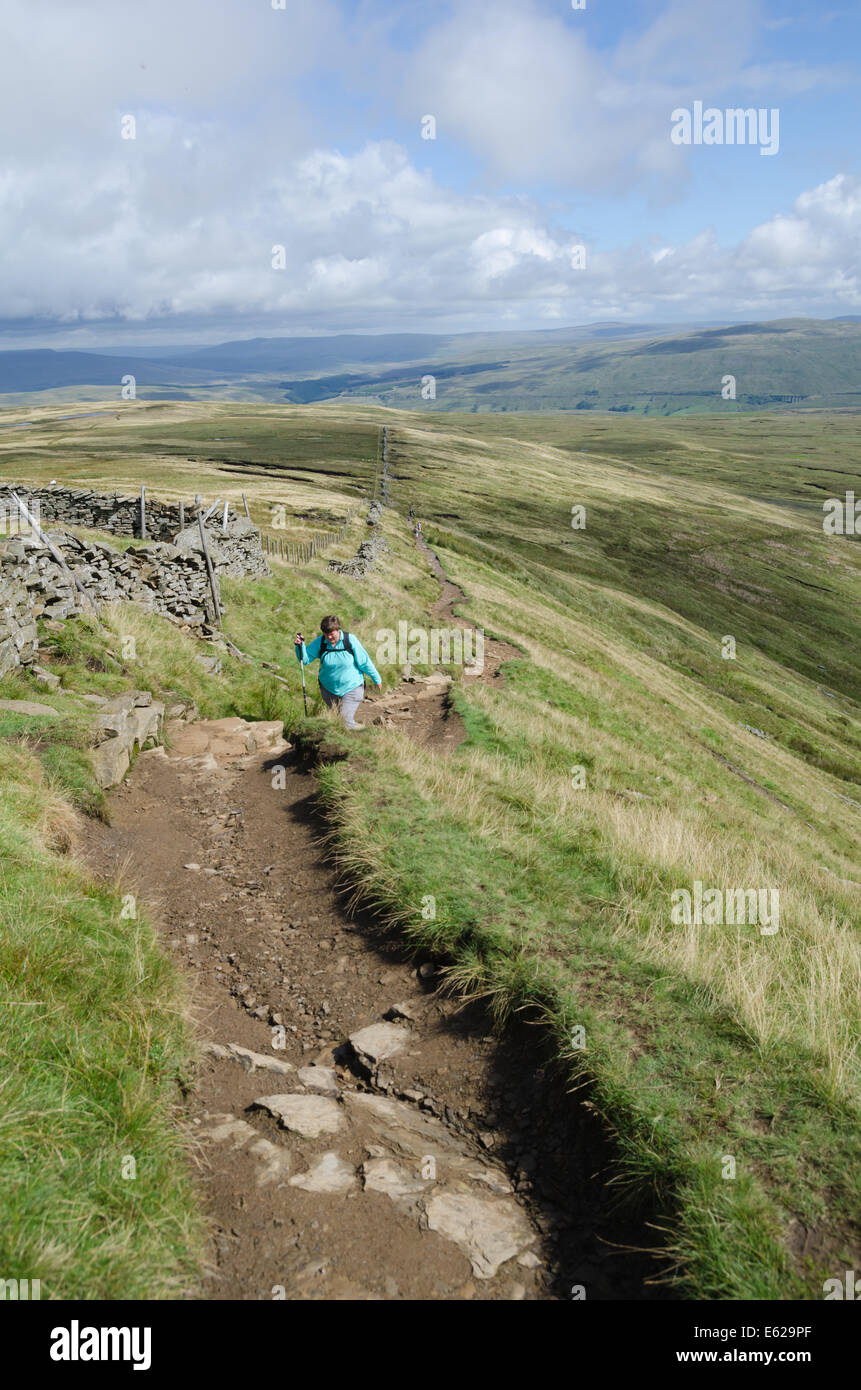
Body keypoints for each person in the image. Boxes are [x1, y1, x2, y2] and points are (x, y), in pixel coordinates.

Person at [294, 615, 381, 730]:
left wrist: (377, 679)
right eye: (326, 634)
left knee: (345, 719)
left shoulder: (349, 640)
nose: (329, 637)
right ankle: (352, 737)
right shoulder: (321, 642)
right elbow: (304, 660)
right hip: (328, 690)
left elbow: (364, 662)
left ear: (338, 630)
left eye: (332, 633)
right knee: (338, 719)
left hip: (352, 687)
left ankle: (349, 744)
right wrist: (300, 646)